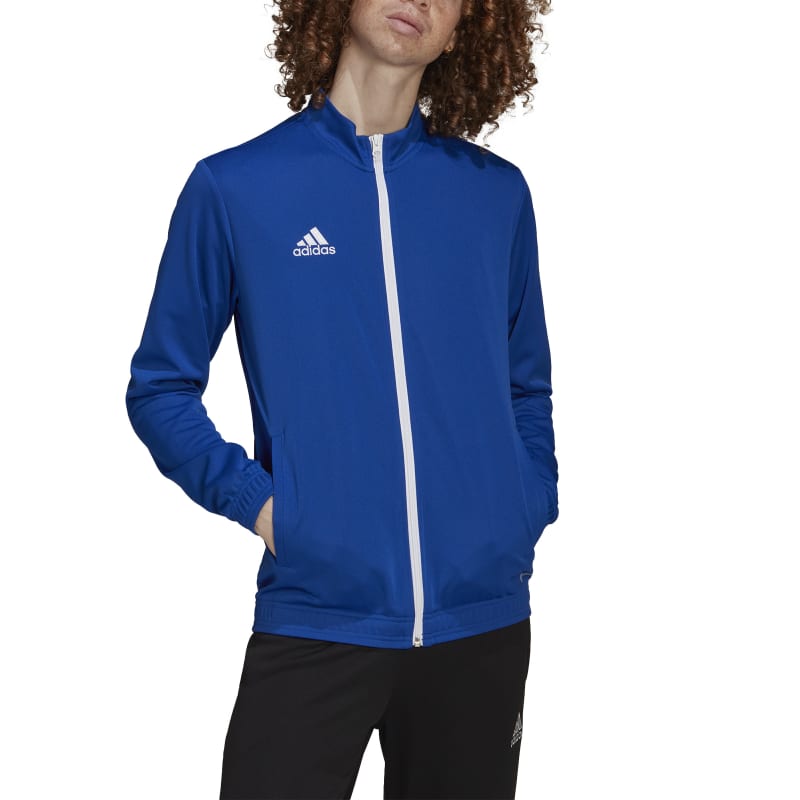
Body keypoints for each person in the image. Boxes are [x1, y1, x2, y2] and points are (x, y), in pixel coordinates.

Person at [125, 0, 558, 797]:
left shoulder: (495, 195)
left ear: (468, 28)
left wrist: (523, 506)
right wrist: (267, 509)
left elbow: (526, 385)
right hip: (318, 613)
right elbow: (161, 388)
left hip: (483, 620)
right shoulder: (237, 187)